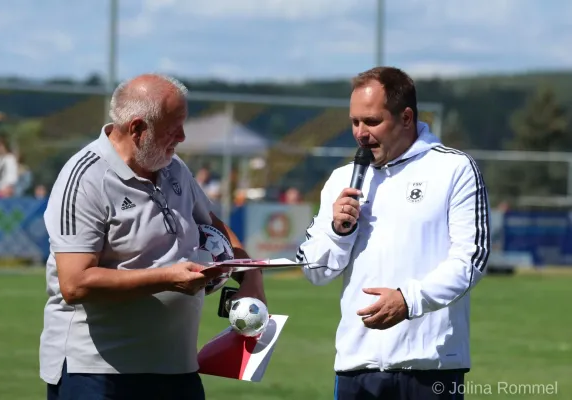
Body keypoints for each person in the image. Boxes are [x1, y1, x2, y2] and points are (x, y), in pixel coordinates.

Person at [39, 73, 266, 400]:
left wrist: (251, 276)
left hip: (177, 369)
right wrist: (167, 279)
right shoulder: (85, 178)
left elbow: (214, 223)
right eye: (174, 128)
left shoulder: (175, 168)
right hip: (98, 373)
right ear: (137, 129)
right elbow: (75, 284)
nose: (183, 137)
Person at [296, 66, 490, 400]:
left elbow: (471, 259)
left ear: (406, 118)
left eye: (371, 122)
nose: (360, 133)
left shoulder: (453, 169)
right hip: (358, 367)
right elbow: (313, 271)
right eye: (355, 122)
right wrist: (338, 231)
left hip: (432, 367)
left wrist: (408, 300)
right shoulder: (342, 179)